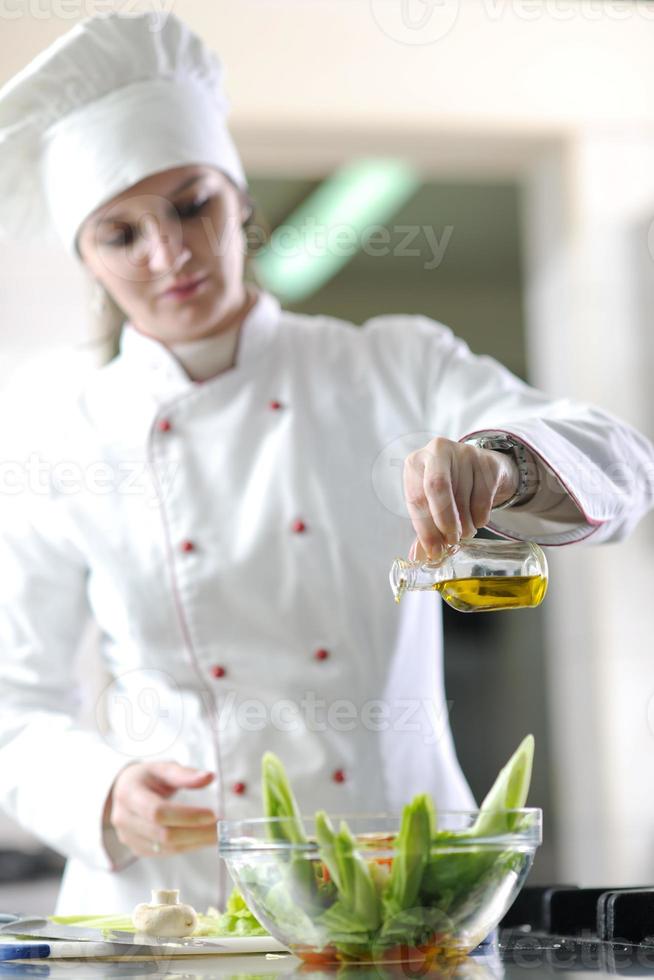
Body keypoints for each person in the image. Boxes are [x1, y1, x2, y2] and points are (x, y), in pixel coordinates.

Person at [0, 12, 652, 917]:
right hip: (171, 905)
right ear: (88, 258)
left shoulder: (391, 363)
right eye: (121, 233)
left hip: (403, 892)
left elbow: (624, 461)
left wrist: (502, 463)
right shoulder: (59, 435)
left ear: (241, 201)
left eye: (193, 204)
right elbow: (15, 704)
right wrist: (100, 791)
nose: (171, 254)